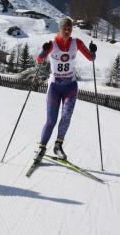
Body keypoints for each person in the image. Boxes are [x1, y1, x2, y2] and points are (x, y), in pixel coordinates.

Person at [34, 17, 97, 163]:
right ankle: (41, 148)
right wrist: (43, 52)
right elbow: (39, 60)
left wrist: (93, 52)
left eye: (70, 29)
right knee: (51, 120)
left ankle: (58, 146)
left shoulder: (77, 43)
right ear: (60, 29)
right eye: (65, 29)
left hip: (70, 86)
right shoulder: (53, 44)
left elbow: (91, 58)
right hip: (55, 87)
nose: (67, 31)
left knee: (66, 116)